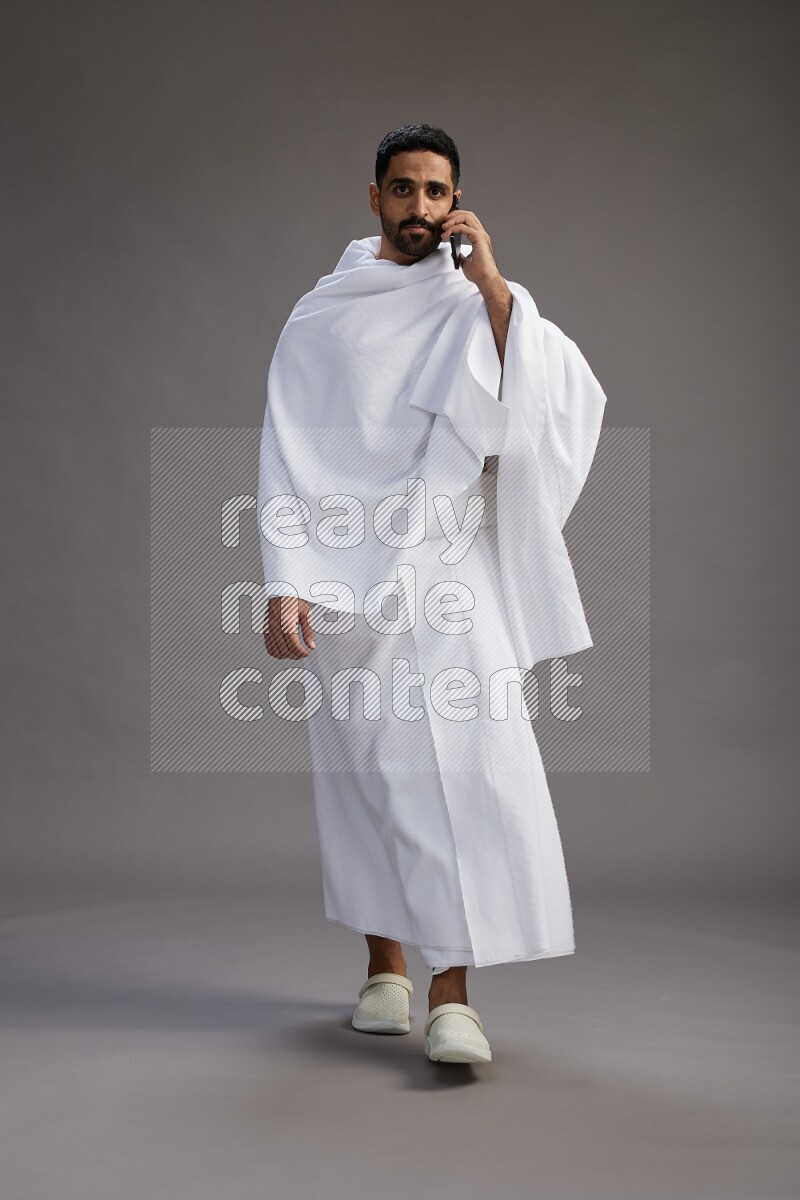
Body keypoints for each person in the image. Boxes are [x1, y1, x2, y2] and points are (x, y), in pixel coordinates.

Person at [257, 123, 606, 1065]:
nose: (421, 209)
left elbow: (547, 394)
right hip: (341, 579)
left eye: (438, 192)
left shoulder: (476, 303)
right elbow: (286, 451)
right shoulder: (321, 316)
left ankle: (455, 995)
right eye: (404, 190)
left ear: (458, 202)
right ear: (373, 197)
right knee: (368, 775)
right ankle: (386, 970)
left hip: (449, 570)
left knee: (466, 767)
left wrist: (490, 278)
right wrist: (285, 581)